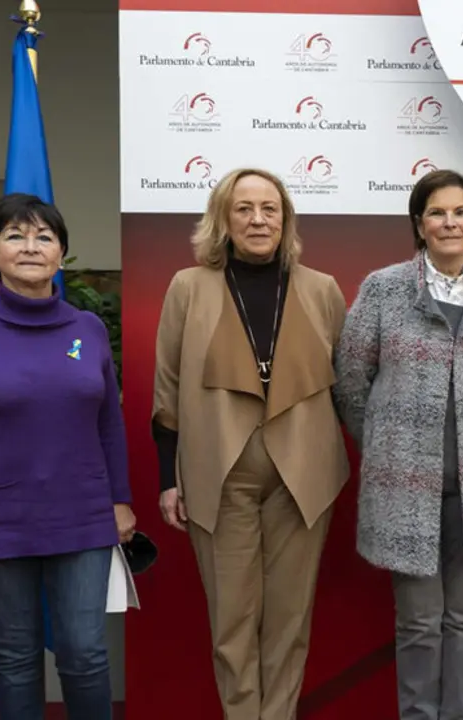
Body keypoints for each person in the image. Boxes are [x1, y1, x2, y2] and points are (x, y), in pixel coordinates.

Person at [0, 193, 133, 720]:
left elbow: (109, 424)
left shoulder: (87, 330)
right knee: (15, 658)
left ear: (61, 252)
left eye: (44, 236)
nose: (31, 247)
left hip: (81, 515)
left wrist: (120, 501)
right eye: (15, 236)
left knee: (85, 653)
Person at [152, 167, 350, 719]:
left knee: (290, 620)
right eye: (244, 208)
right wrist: (170, 477)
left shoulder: (322, 289)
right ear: (223, 219)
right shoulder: (187, 288)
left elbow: (347, 386)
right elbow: (166, 388)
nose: (258, 219)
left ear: (285, 219)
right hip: (219, 474)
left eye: (270, 208)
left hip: (303, 479)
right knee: (232, 623)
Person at [333, 169, 463, 720]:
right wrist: (387, 443)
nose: (450, 222)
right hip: (404, 489)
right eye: (437, 212)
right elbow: (351, 380)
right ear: (419, 224)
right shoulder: (383, 288)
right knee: (419, 623)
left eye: (461, 212)